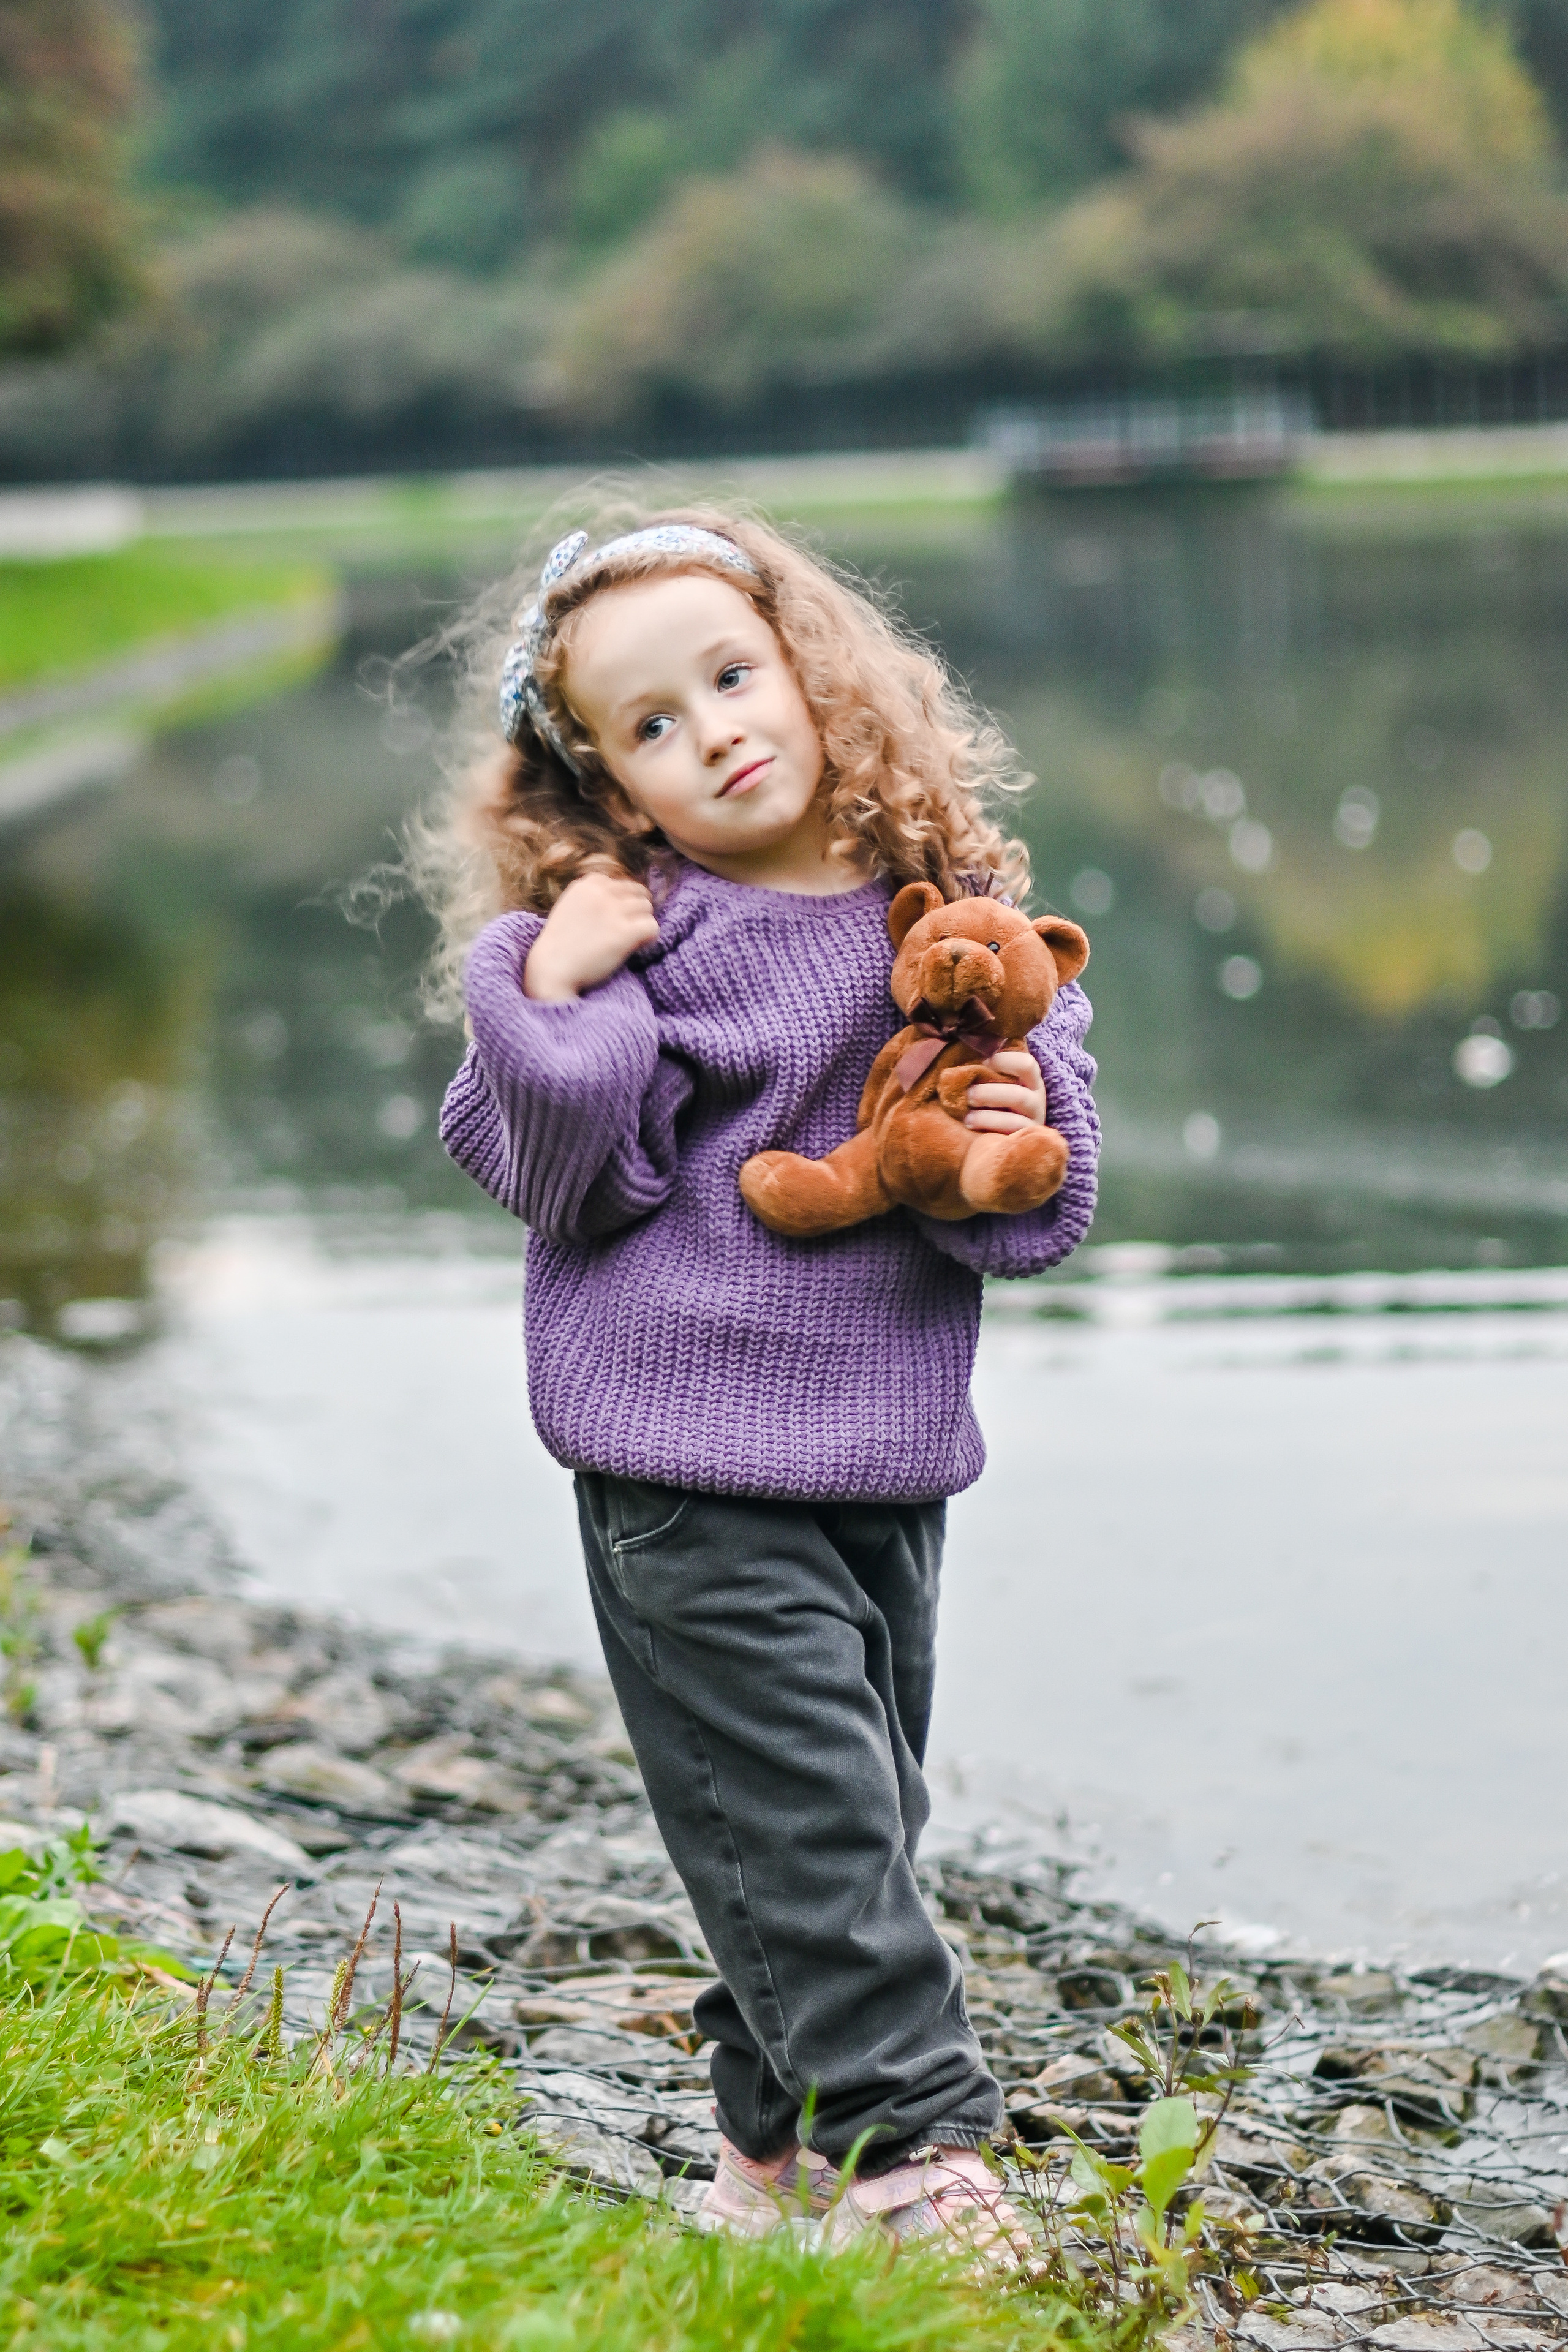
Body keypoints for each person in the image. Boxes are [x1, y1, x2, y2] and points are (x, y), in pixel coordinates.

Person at [425, 505, 1099, 2252]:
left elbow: (1031, 1219)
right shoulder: (637, 942)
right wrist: (547, 984)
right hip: (680, 1461)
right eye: (651, 724)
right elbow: (568, 1176)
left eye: (733, 677)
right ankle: (915, 2157)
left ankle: (773, 2158)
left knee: (841, 1817)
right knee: (812, 1826)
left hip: (882, 1452)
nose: (713, 730)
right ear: (611, 789)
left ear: (816, 673)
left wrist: (1012, 1133)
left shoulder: (953, 929)